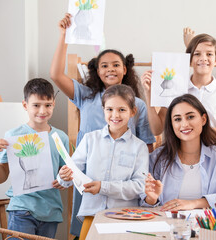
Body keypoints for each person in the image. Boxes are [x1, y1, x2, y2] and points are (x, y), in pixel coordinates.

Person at [50, 13, 155, 237]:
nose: (110, 69)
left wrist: (148, 191)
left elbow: (146, 148)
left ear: (125, 69)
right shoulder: (86, 96)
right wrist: (64, 36)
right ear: (97, 71)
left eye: (116, 65)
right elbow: (55, 75)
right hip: (87, 181)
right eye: (104, 65)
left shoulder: (138, 106)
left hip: (122, 190)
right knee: (86, 231)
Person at [57, 85, 149, 240]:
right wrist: (63, 177)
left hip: (125, 218)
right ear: (103, 110)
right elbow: (72, 172)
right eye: (109, 109)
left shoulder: (139, 147)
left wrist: (103, 187)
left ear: (133, 112)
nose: (115, 115)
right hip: (91, 215)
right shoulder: (90, 139)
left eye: (122, 109)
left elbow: (139, 186)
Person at [0, 78, 69, 238]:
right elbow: (1, 178)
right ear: (25, 105)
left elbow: (65, 176)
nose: (42, 110)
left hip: (50, 211)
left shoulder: (61, 138)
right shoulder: (13, 136)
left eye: (48, 105)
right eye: (36, 105)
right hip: (22, 209)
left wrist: (64, 180)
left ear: (54, 104)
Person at [140, 94, 216, 210]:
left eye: (190, 117)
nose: (184, 124)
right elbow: (143, 199)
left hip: (205, 225)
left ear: (203, 119)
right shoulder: (157, 157)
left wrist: (194, 203)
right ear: (172, 125)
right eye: (177, 119)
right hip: (166, 222)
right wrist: (151, 199)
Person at [141, 33, 216, 147]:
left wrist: (192, 127)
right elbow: (157, 129)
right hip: (180, 155)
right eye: (197, 54)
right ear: (189, 60)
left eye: (209, 54)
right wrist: (149, 94)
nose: (203, 58)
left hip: (213, 157)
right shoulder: (176, 87)